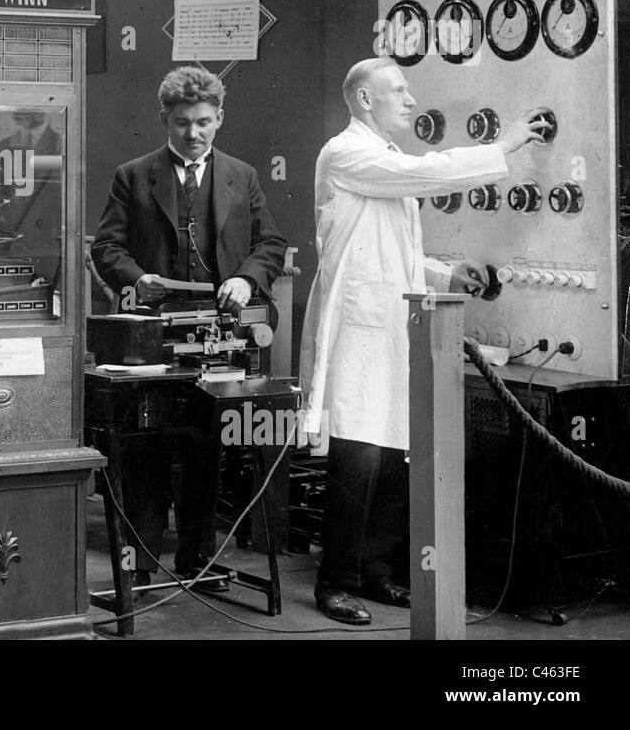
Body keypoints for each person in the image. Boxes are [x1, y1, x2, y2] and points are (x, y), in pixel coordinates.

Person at [300, 56, 550, 624]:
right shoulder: (346, 153)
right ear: (365, 100)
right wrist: (504, 145)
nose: (411, 100)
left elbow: (397, 253)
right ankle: (334, 581)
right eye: (400, 90)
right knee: (358, 452)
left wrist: (444, 275)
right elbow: (428, 174)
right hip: (362, 327)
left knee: (394, 450)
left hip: (394, 321)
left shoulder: (382, 159)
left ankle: (375, 571)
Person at [92, 65, 286, 581]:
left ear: (219, 118)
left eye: (203, 122)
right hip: (153, 334)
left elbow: (271, 243)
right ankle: (140, 565)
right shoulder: (133, 176)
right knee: (145, 449)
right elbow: (106, 247)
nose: (193, 133)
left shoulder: (241, 176)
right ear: (165, 120)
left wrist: (246, 279)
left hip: (220, 335)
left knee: (207, 444)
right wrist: (138, 279)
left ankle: (198, 557)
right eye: (182, 123)